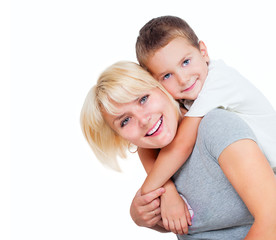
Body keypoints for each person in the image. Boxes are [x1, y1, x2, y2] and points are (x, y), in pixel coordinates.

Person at [80, 61, 276, 239]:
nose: (143, 119)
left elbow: (272, 218)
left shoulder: (216, 128)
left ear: (161, 87)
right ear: (120, 136)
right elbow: (189, 222)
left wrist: (149, 192)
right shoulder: (155, 158)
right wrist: (144, 216)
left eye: (143, 99)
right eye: (125, 121)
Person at [133, 15, 276, 230]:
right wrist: (168, 190)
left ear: (203, 51)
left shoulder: (218, 81)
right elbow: (145, 146)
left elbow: (182, 145)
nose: (182, 79)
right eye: (167, 76)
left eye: (186, 62)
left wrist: (145, 195)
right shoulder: (185, 97)